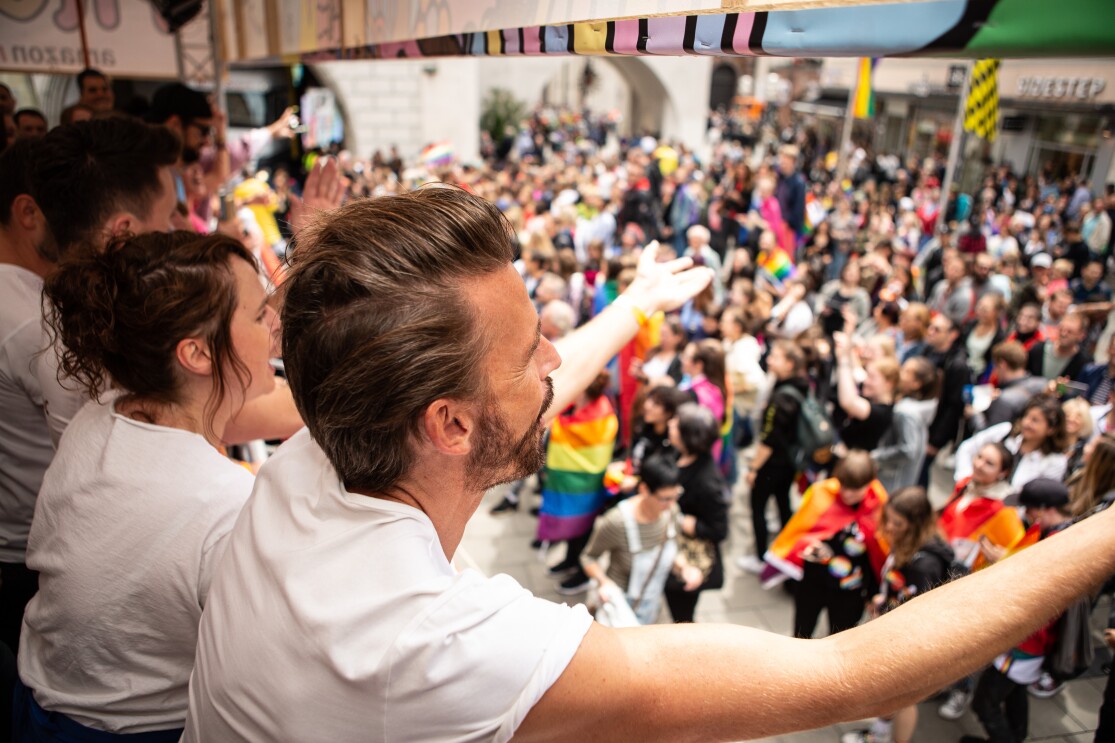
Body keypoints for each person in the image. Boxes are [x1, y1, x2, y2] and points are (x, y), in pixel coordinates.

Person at [184, 188, 1115, 743]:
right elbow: (848, 676)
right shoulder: (432, 643)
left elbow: (518, 385)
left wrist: (632, 304)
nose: (555, 362)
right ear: (451, 426)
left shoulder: (321, 445)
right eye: (530, 349)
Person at [14, 231, 278, 740]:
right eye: (258, 313)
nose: (275, 326)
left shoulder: (102, 414)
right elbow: (258, 676)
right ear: (197, 353)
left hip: (37, 703)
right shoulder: (222, 498)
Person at [962, 479, 1074, 743]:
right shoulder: (1061, 533)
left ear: (1045, 509)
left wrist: (1004, 563)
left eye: (1030, 509)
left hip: (1025, 643)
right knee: (1014, 693)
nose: (1026, 514)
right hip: (1032, 644)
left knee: (984, 705)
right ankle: (1018, 735)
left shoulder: (1057, 545)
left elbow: (1039, 589)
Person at [842, 487, 954, 743]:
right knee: (891, 695)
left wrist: (887, 612)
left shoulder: (925, 564)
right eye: (889, 518)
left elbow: (920, 613)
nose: (889, 527)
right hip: (895, 631)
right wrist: (883, 600)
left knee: (902, 698)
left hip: (909, 643)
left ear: (915, 524)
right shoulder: (912, 543)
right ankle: (881, 732)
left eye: (898, 523)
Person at [765, 451, 887, 639]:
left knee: (841, 639)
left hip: (850, 591)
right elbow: (801, 531)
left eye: (855, 489)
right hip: (813, 582)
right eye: (844, 486)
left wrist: (874, 592)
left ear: (869, 483)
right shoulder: (821, 493)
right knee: (801, 634)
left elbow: (878, 551)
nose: (847, 493)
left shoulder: (878, 505)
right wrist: (808, 547)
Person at [537, 370, 619, 595]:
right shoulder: (577, 405)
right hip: (571, 484)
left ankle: (582, 574)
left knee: (584, 532)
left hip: (587, 487)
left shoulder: (602, 413)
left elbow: (585, 440)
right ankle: (570, 561)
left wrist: (559, 428)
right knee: (573, 529)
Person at [582, 455, 682, 626]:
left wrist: (683, 566)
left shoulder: (671, 511)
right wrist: (604, 582)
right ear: (644, 489)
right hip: (620, 610)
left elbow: (671, 547)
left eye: (676, 496)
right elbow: (588, 557)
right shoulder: (617, 522)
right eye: (665, 499)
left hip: (652, 605)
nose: (671, 504)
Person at [738, 340, 810, 575]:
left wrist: (753, 468)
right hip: (789, 461)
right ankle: (787, 548)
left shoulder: (781, 397)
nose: (769, 359)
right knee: (783, 505)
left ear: (789, 364)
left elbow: (768, 439)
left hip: (772, 464)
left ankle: (760, 557)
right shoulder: (800, 386)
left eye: (776, 357)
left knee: (758, 507)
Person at [662, 404, 729, 623]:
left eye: (677, 423)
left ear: (688, 437)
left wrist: (691, 524)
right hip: (667, 543)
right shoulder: (676, 453)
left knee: (681, 611)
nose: (670, 424)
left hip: (688, 555)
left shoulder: (708, 483)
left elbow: (719, 529)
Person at [955, 396, 1070, 490]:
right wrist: (965, 478)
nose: (1026, 423)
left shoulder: (1055, 462)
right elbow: (967, 447)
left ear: (1051, 429)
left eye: (1035, 420)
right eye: (1026, 416)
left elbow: (1038, 496)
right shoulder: (1005, 432)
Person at [872, 357, 938, 493]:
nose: (900, 373)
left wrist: (877, 455)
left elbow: (908, 449)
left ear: (916, 384)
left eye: (906, 371)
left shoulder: (906, 413)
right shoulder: (922, 406)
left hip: (893, 480)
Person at [833, 331, 897, 454]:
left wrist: (843, 359)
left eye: (871, 378)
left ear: (889, 383)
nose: (865, 382)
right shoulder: (875, 395)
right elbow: (857, 370)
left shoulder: (882, 412)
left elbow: (849, 403)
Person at [973, 341, 1049, 430]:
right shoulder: (1042, 384)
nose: (995, 372)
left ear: (1002, 364)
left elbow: (988, 434)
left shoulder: (1004, 400)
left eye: (995, 367)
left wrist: (974, 414)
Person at [1026, 311, 1090, 382]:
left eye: (1070, 332)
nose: (1063, 334)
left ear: (1082, 335)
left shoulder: (1084, 363)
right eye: (1061, 329)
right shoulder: (1038, 350)